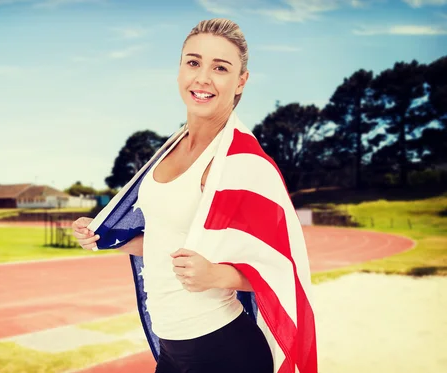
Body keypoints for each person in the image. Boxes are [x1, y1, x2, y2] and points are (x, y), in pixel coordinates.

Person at [73, 18, 317, 373]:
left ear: (240, 82)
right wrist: (105, 237)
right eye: (193, 62)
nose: (202, 77)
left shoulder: (244, 164)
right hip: (172, 349)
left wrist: (219, 275)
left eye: (220, 68)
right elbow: (165, 239)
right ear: (179, 71)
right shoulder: (169, 149)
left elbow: (283, 269)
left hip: (222, 350)